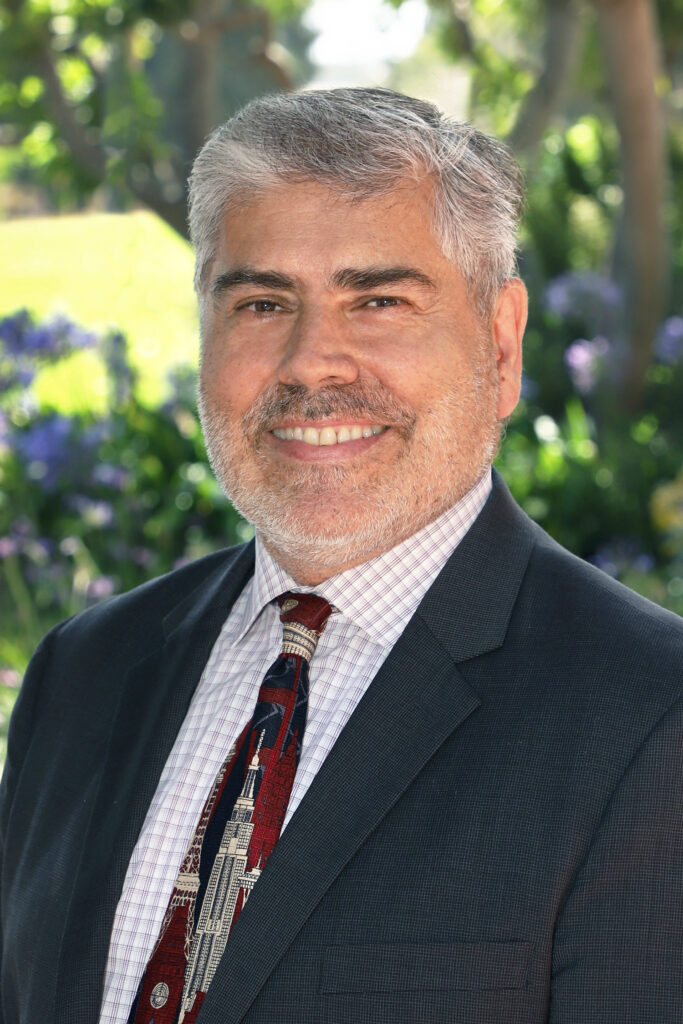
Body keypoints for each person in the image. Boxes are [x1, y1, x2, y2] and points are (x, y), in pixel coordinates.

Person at [1, 88, 681, 1024]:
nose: (312, 361)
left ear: (499, 340)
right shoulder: (83, 672)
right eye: (263, 301)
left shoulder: (649, 720)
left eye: (379, 300)